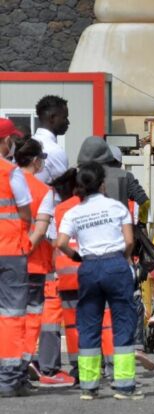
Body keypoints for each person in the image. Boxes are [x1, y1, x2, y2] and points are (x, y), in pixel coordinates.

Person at [54, 162, 140, 400]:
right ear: (102, 183)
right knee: (122, 322)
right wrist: (121, 259)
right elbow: (130, 241)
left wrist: (78, 257)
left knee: (89, 324)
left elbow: (60, 243)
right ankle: (124, 385)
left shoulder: (74, 212)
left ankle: (88, 386)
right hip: (115, 265)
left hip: (89, 267)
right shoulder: (117, 207)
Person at [14, 139, 66, 386]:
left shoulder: (6, 184)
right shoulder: (44, 191)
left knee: (9, 318)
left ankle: (9, 365)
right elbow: (49, 232)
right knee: (32, 317)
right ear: (35, 161)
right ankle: (23, 365)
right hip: (34, 263)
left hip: (6, 261)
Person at [0, 125, 36, 397]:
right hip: (10, 251)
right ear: (8, 141)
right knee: (12, 315)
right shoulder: (10, 172)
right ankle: (11, 377)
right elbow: (25, 213)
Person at [31, 95, 70, 184]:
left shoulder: (27, 144)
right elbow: (64, 189)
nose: (68, 122)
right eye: (65, 117)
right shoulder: (55, 151)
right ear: (52, 118)